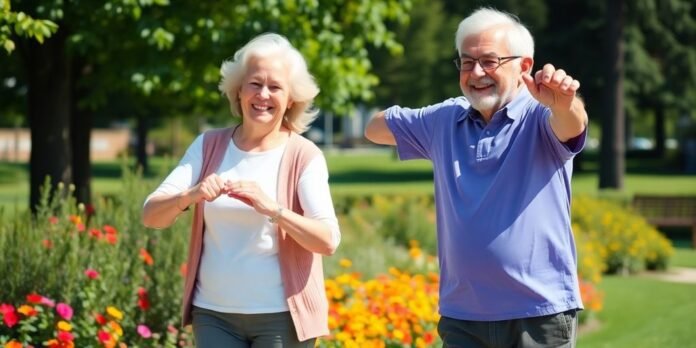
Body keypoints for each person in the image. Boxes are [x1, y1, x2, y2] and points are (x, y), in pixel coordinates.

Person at [365, 7, 588, 348]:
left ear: (524, 66)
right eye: (466, 62)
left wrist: (565, 103)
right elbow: (374, 128)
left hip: (538, 313)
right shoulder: (444, 121)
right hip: (463, 317)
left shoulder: (542, 115)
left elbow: (573, 125)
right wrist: (438, 116)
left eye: (489, 61)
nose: (476, 72)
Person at [142, 33, 340, 347]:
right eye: (254, 84)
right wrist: (191, 195)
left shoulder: (304, 156)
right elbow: (151, 215)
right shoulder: (208, 146)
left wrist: (274, 209)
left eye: (275, 87)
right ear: (238, 90)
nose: (263, 95)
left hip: (281, 318)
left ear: (291, 99)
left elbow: (328, 240)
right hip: (213, 315)